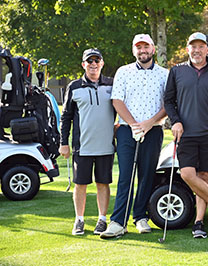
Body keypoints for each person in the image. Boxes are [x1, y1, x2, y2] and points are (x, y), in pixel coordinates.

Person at [100, 34, 168, 239]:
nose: (142, 50)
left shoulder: (165, 74)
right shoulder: (124, 71)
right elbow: (117, 101)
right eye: (138, 47)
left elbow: (168, 105)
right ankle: (118, 222)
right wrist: (134, 125)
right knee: (126, 176)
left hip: (154, 130)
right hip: (126, 130)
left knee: (147, 175)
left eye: (145, 46)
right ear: (133, 50)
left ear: (153, 49)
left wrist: (148, 124)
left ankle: (140, 216)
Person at [164, 32, 208, 239]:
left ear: (207, 50)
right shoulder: (176, 71)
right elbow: (169, 100)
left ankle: (199, 223)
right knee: (187, 174)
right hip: (186, 134)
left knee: (204, 177)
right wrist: (175, 120)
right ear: (187, 49)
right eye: (193, 46)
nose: (197, 50)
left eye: (201, 46)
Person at [60, 48, 115, 236]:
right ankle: (79, 220)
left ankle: (102, 219)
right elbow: (66, 117)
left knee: (103, 183)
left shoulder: (111, 85)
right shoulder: (74, 87)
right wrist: (63, 143)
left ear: (102, 63)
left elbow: (120, 110)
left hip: (106, 145)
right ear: (83, 64)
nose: (93, 64)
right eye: (89, 61)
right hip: (82, 146)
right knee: (80, 184)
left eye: (96, 60)